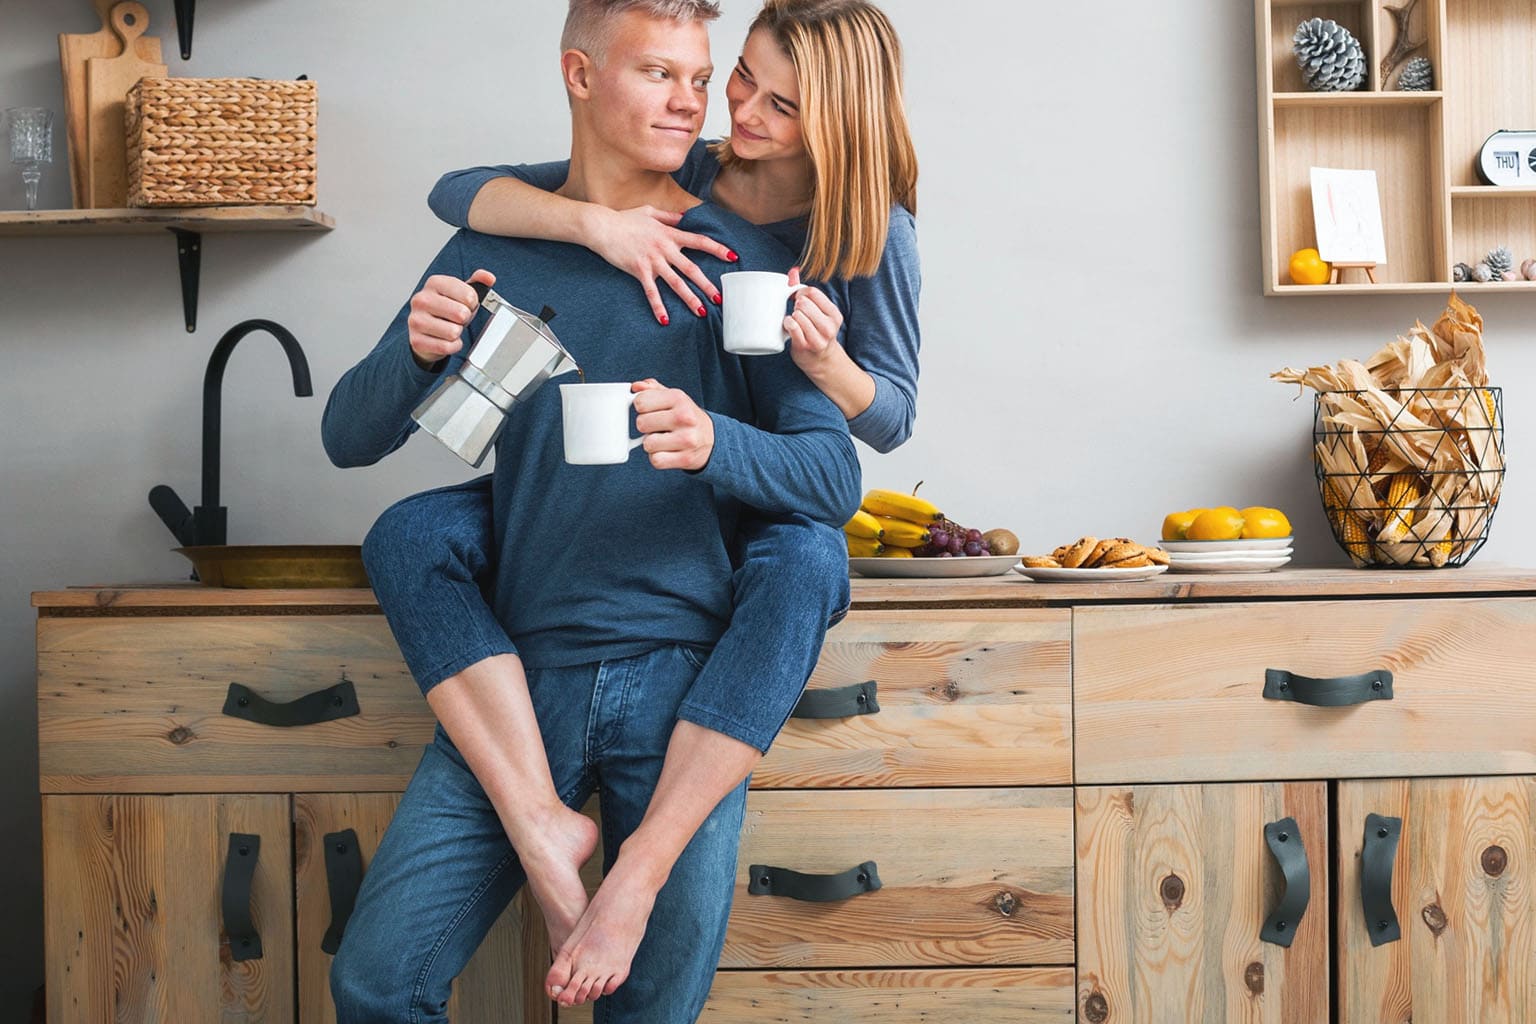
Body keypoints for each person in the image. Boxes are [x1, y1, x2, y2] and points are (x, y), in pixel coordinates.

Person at [371, 0, 920, 1009]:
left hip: (742, 500)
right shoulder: (694, 167)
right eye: (732, 78)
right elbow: (465, 193)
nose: (728, 107)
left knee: (804, 558)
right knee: (411, 530)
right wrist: (595, 225)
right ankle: (544, 825)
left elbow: (884, 424)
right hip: (583, 540)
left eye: (769, 99)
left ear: (833, 122)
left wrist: (822, 364)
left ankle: (640, 866)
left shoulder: (861, 233)